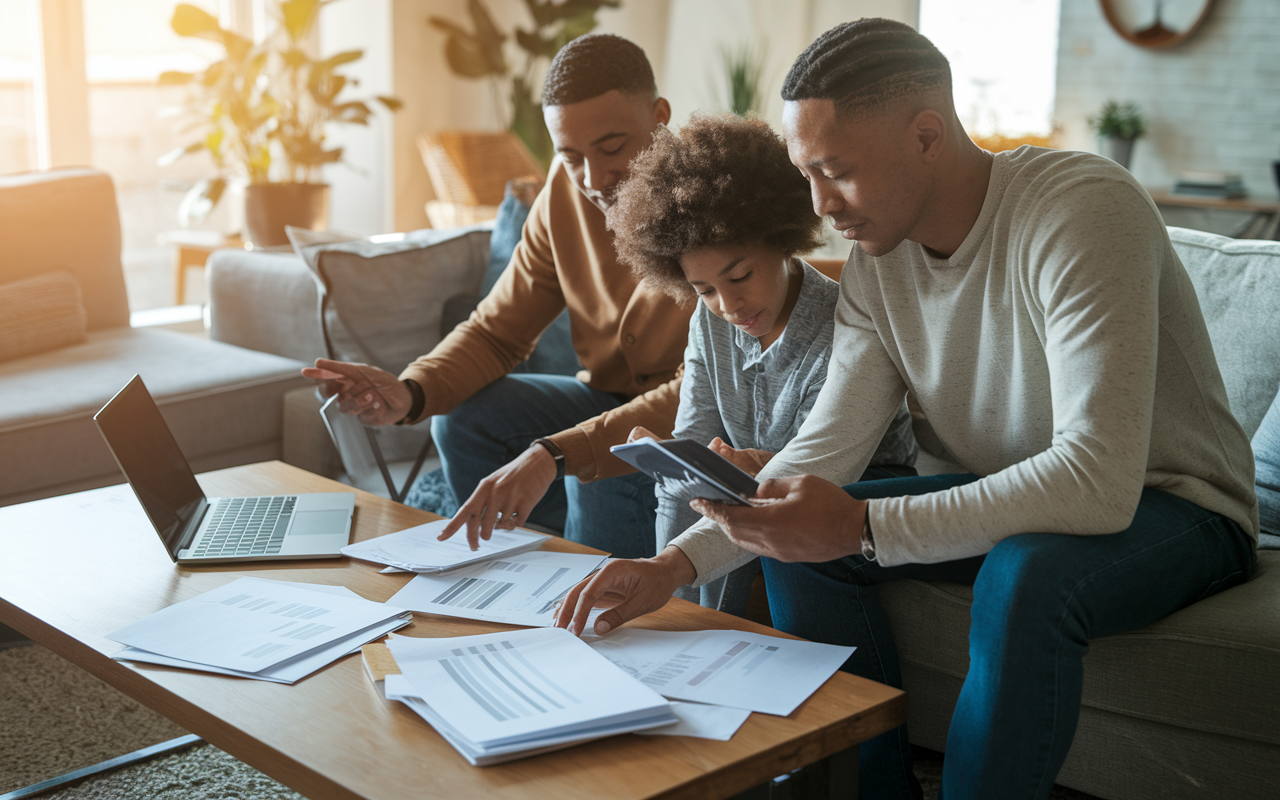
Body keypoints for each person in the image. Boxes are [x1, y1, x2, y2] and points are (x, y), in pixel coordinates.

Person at [555, 18, 1258, 800]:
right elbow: (824, 451)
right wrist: (670, 566)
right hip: (1024, 494)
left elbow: (1097, 480)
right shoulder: (877, 266)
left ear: (927, 135)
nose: (819, 206)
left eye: (836, 172)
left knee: (1023, 576)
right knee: (802, 534)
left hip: (1174, 506)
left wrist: (858, 527)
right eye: (806, 174)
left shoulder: (1081, 210)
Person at [303, 34, 691, 559]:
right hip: (608, 400)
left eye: (613, 148)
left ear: (660, 117)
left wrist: (560, 452)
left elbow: (702, 388)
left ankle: (588, 581)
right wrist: (411, 392)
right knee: (464, 417)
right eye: (571, 156)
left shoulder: (711, 199)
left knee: (599, 469)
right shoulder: (564, 192)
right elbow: (496, 332)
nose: (593, 179)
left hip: (692, 424)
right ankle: (524, 567)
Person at [606, 112, 916, 617]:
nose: (728, 305)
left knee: (761, 523)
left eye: (741, 275)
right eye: (704, 289)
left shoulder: (846, 329)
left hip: (853, 483)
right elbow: (686, 479)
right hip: (754, 483)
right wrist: (668, 604)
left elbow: (812, 471)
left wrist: (746, 472)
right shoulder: (709, 324)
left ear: (781, 238)